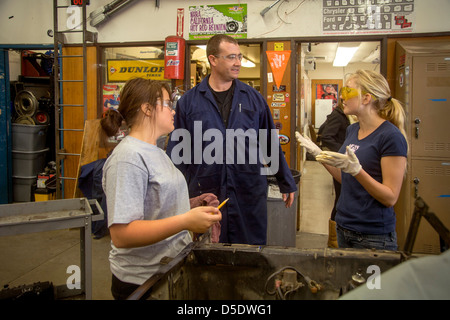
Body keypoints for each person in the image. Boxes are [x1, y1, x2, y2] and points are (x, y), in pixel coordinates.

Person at [166, 34, 297, 245]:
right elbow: (177, 154)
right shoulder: (189, 102)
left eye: (239, 56)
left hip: (248, 192)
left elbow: (269, 145)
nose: (238, 62)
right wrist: (172, 195)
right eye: (231, 57)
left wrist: (285, 181)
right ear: (213, 60)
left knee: (250, 255)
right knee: (208, 255)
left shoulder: (254, 99)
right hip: (206, 192)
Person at [101, 78, 222, 299]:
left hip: (168, 271)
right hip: (143, 283)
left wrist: (190, 206)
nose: (173, 110)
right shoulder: (128, 158)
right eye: (167, 104)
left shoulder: (155, 150)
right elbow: (122, 234)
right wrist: (185, 221)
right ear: (147, 109)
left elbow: (154, 205)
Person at [296, 70, 407, 251]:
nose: (342, 97)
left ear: (366, 98)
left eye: (348, 91)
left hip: (372, 236)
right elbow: (344, 177)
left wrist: (357, 171)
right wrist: (319, 155)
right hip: (344, 226)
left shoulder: (390, 136)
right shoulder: (353, 130)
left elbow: (390, 197)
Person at [316, 97, 350, 248]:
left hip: (347, 164)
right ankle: (333, 242)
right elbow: (327, 136)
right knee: (340, 199)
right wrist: (342, 153)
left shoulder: (349, 117)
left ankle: (335, 241)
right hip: (342, 163)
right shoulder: (338, 115)